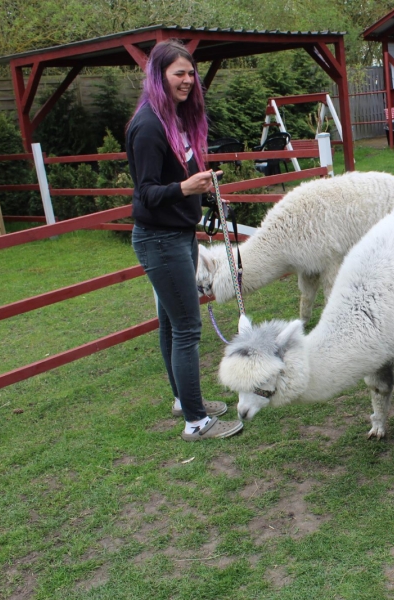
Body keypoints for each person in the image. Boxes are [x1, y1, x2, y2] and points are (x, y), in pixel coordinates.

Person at [127, 40, 243, 441]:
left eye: (191, 73)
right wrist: (184, 187)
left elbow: (180, 179)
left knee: (170, 325)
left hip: (178, 236)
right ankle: (196, 422)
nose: (188, 81)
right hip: (160, 241)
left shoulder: (174, 120)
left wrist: (203, 186)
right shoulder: (147, 127)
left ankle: (183, 400)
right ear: (158, 76)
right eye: (179, 73)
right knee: (187, 328)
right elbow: (145, 194)